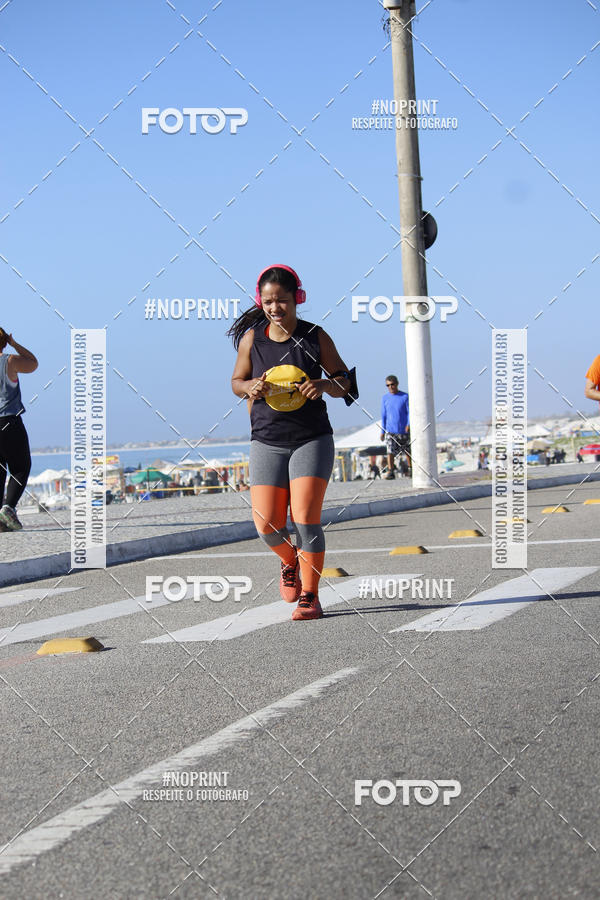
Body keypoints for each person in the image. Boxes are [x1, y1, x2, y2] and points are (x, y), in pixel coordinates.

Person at [229, 264, 356, 621]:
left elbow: (345, 380)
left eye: (282, 301)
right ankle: (289, 561)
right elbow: (236, 382)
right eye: (268, 302)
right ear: (261, 302)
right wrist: (249, 386)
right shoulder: (253, 339)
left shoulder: (316, 337)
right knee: (267, 524)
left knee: (305, 519)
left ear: (297, 299)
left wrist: (325, 385)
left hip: (310, 439)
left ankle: (310, 596)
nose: (275, 308)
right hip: (266, 440)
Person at [0, 328, 38, 530]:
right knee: (21, 467)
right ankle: (8, 508)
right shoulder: (9, 361)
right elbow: (33, 363)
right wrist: (14, 344)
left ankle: (0, 521)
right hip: (8, 421)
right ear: (4, 342)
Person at [380, 375, 410, 479]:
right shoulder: (385, 398)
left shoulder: (405, 396)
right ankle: (391, 470)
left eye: (392, 384)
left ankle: (411, 469)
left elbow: (409, 412)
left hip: (403, 430)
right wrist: (382, 431)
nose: (390, 387)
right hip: (390, 430)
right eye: (388, 385)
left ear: (396, 384)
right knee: (390, 451)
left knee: (407, 450)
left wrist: (408, 424)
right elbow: (383, 415)